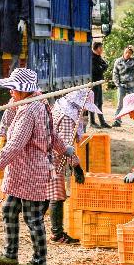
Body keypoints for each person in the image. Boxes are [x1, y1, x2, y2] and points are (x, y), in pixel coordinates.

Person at [0, 68, 77, 265]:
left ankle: (39, 261)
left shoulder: (30, 110)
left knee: (33, 217)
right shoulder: (34, 103)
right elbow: (52, 133)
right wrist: (64, 148)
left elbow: (15, 145)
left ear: (23, 90)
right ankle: (10, 253)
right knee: (9, 209)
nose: (10, 92)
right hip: (20, 172)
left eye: (13, 88)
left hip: (31, 171)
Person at [48, 88, 97, 243]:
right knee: (57, 194)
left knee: (48, 194)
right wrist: (76, 167)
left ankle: (48, 229)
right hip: (52, 159)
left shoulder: (61, 105)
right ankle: (57, 233)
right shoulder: (68, 117)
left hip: (47, 155)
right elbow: (65, 146)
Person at [111, 45, 134, 127]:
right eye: (126, 52)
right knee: (120, 104)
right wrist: (118, 84)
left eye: (130, 53)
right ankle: (117, 121)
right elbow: (115, 73)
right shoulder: (118, 61)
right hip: (122, 86)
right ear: (123, 52)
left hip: (132, 85)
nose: (127, 54)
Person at [90, 42, 110, 128]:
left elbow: (105, 65)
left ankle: (102, 122)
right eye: (101, 48)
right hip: (93, 83)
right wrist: (102, 67)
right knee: (93, 103)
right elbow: (96, 70)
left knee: (100, 103)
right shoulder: (92, 57)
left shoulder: (99, 57)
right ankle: (92, 122)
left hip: (99, 82)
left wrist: (102, 67)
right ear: (97, 48)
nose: (102, 49)